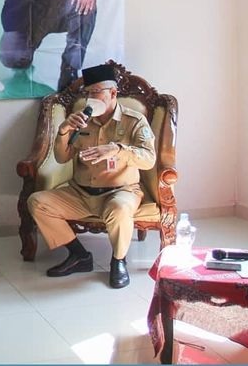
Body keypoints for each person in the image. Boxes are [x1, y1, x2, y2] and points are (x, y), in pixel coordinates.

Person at [27, 64, 156, 288]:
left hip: (121, 191)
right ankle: (79, 255)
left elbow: (149, 159)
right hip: (80, 193)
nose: (90, 98)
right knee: (37, 202)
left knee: (119, 209)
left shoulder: (134, 121)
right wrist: (63, 131)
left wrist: (117, 150)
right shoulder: (82, 119)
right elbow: (62, 157)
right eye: (87, 93)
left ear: (113, 93)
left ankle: (118, 261)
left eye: (96, 92)